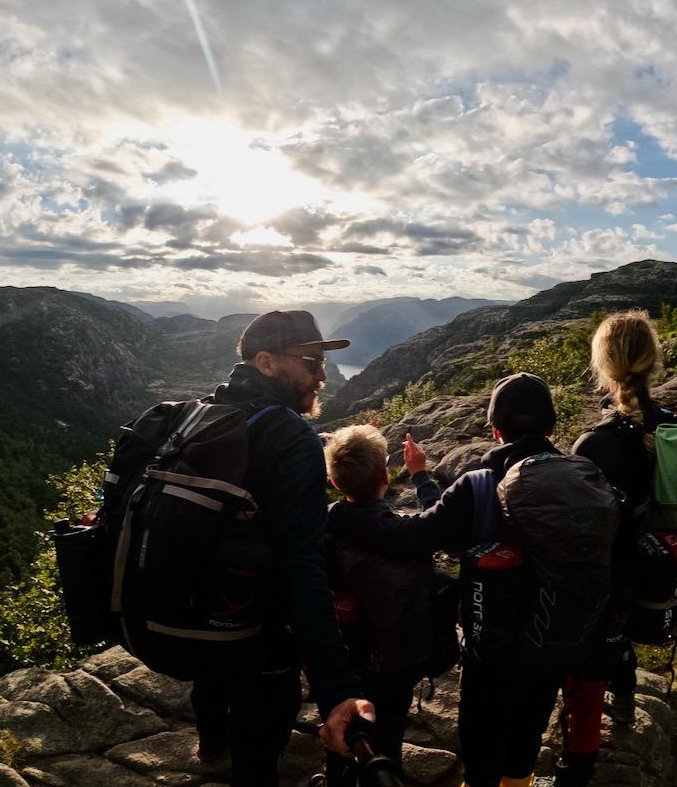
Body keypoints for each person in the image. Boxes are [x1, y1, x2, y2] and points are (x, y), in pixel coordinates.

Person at [327, 373, 604, 787]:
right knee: (527, 729)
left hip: (490, 644)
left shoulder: (477, 485)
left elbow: (413, 536)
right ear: (551, 428)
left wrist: (337, 513)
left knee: (482, 740)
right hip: (556, 637)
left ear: (495, 430)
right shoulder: (583, 482)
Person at [192, 310, 375, 786]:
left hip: (198, 616)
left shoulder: (201, 416)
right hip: (257, 635)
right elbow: (303, 563)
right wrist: (336, 688)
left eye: (323, 363)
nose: (321, 374)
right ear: (266, 362)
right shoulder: (291, 437)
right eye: (311, 360)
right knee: (259, 748)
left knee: (214, 684)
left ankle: (211, 744)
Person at [320, 424, 444, 785]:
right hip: (395, 660)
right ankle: (383, 773)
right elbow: (441, 518)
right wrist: (420, 475)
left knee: (339, 720)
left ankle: (338, 777)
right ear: (384, 475)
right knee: (388, 725)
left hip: (343, 654)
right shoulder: (406, 532)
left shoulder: (323, 524)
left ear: (335, 483)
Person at [570, 309, 677, 726]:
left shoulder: (596, 443)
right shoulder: (675, 430)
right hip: (660, 566)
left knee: (592, 653)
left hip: (611, 577)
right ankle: (626, 695)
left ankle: (584, 743)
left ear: (603, 365)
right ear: (653, 361)